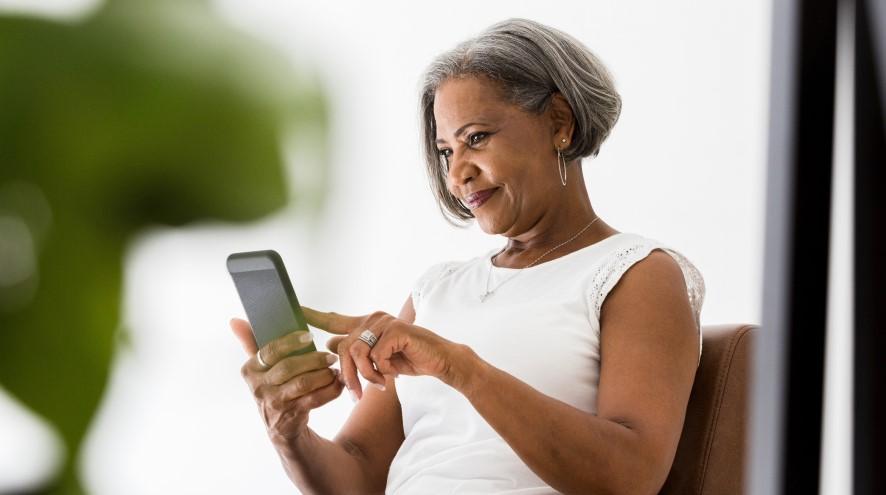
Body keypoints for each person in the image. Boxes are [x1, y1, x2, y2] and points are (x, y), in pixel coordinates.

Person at [230, 17, 705, 494]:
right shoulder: (437, 289)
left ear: (559, 123)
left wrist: (458, 367)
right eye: (445, 150)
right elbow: (355, 473)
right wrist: (288, 432)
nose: (458, 173)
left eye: (476, 138)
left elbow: (629, 476)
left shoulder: (635, 272)